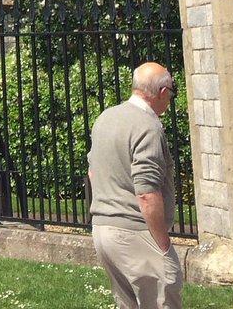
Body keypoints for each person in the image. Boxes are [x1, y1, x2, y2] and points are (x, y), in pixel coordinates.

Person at [87, 61, 183, 309]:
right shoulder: (147, 126)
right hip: (137, 233)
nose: (170, 100)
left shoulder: (106, 117)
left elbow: (92, 172)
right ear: (162, 93)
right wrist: (163, 244)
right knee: (163, 301)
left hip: (103, 230)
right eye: (171, 93)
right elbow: (147, 192)